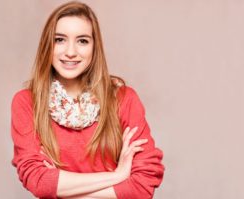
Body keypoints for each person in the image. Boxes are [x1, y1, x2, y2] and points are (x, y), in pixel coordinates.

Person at [10, 1, 164, 199]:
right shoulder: (27, 103)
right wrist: (118, 176)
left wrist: (62, 189)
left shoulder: (124, 99)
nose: (71, 52)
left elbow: (142, 186)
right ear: (47, 45)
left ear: (94, 47)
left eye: (82, 40)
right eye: (59, 40)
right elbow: (39, 182)